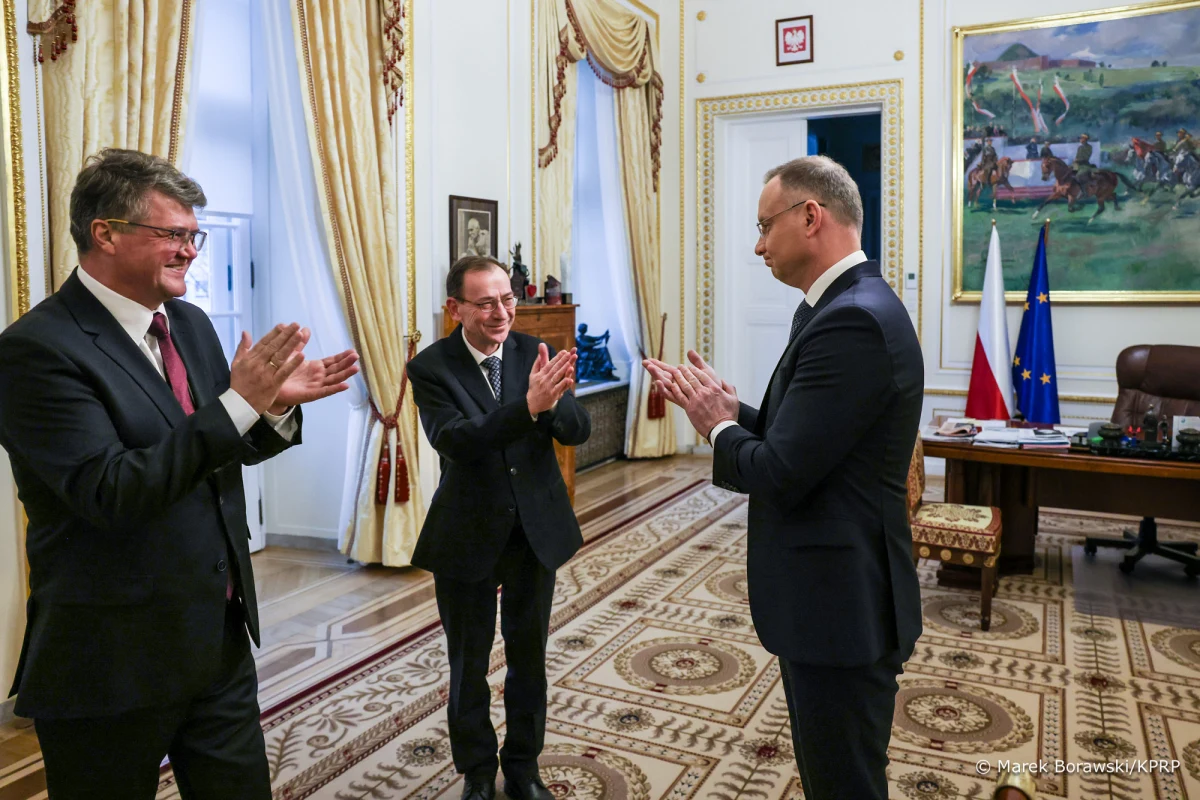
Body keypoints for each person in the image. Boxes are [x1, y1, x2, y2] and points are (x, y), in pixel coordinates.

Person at [0, 149, 359, 799]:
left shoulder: (189, 325)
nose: (191, 251)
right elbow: (113, 492)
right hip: (111, 660)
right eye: (174, 234)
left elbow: (223, 450)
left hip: (216, 642)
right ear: (105, 232)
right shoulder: (35, 351)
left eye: (195, 235)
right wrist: (239, 403)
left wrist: (270, 405)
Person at [644, 155, 924, 800]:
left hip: (842, 603)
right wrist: (724, 408)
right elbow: (804, 434)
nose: (758, 243)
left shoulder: (851, 319)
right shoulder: (849, 305)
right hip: (838, 593)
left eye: (766, 225)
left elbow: (779, 472)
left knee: (843, 782)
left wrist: (718, 428)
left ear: (810, 216)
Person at [406, 256, 590, 800]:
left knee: (528, 658)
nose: (500, 312)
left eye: (507, 298)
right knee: (468, 665)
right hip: (467, 532)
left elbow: (576, 432)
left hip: (534, 530)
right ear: (455, 308)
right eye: (485, 302)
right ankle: (479, 773)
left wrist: (553, 404)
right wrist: (528, 406)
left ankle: (524, 768)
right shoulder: (430, 367)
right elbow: (456, 440)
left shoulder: (537, 351)